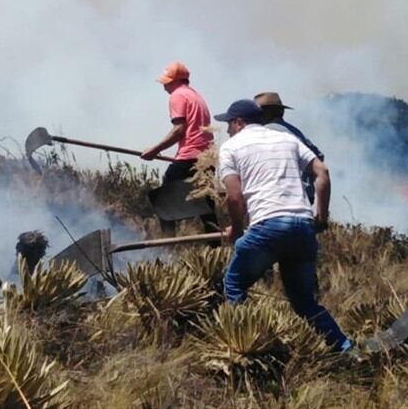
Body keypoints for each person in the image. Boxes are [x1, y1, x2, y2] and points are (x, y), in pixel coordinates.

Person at [215, 99, 351, 352]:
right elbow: (322, 173)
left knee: (233, 285)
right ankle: (346, 349)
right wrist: (321, 216)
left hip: (267, 227)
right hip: (301, 226)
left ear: (239, 122)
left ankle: (248, 344)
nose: (227, 130)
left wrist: (236, 228)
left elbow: (234, 197)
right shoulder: (288, 139)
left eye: (229, 124)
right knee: (303, 302)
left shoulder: (231, 147)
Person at [141, 61, 218, 234]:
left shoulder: (177, 96)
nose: (164, 85)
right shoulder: (196, 96)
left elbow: (179, 130)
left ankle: (169, 244)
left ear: (176, 81)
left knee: (164, 200)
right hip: (206, 158)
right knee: (206, 203)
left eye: (167, 81)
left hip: (190, 156)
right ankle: (216, 248)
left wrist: (154, 150)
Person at [254, 92, 325, 204]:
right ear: (281, 111)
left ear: (264, 112)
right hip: (304, 195)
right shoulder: (294, 130)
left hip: (282, 196)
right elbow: (318, 155)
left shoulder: (267, 132)